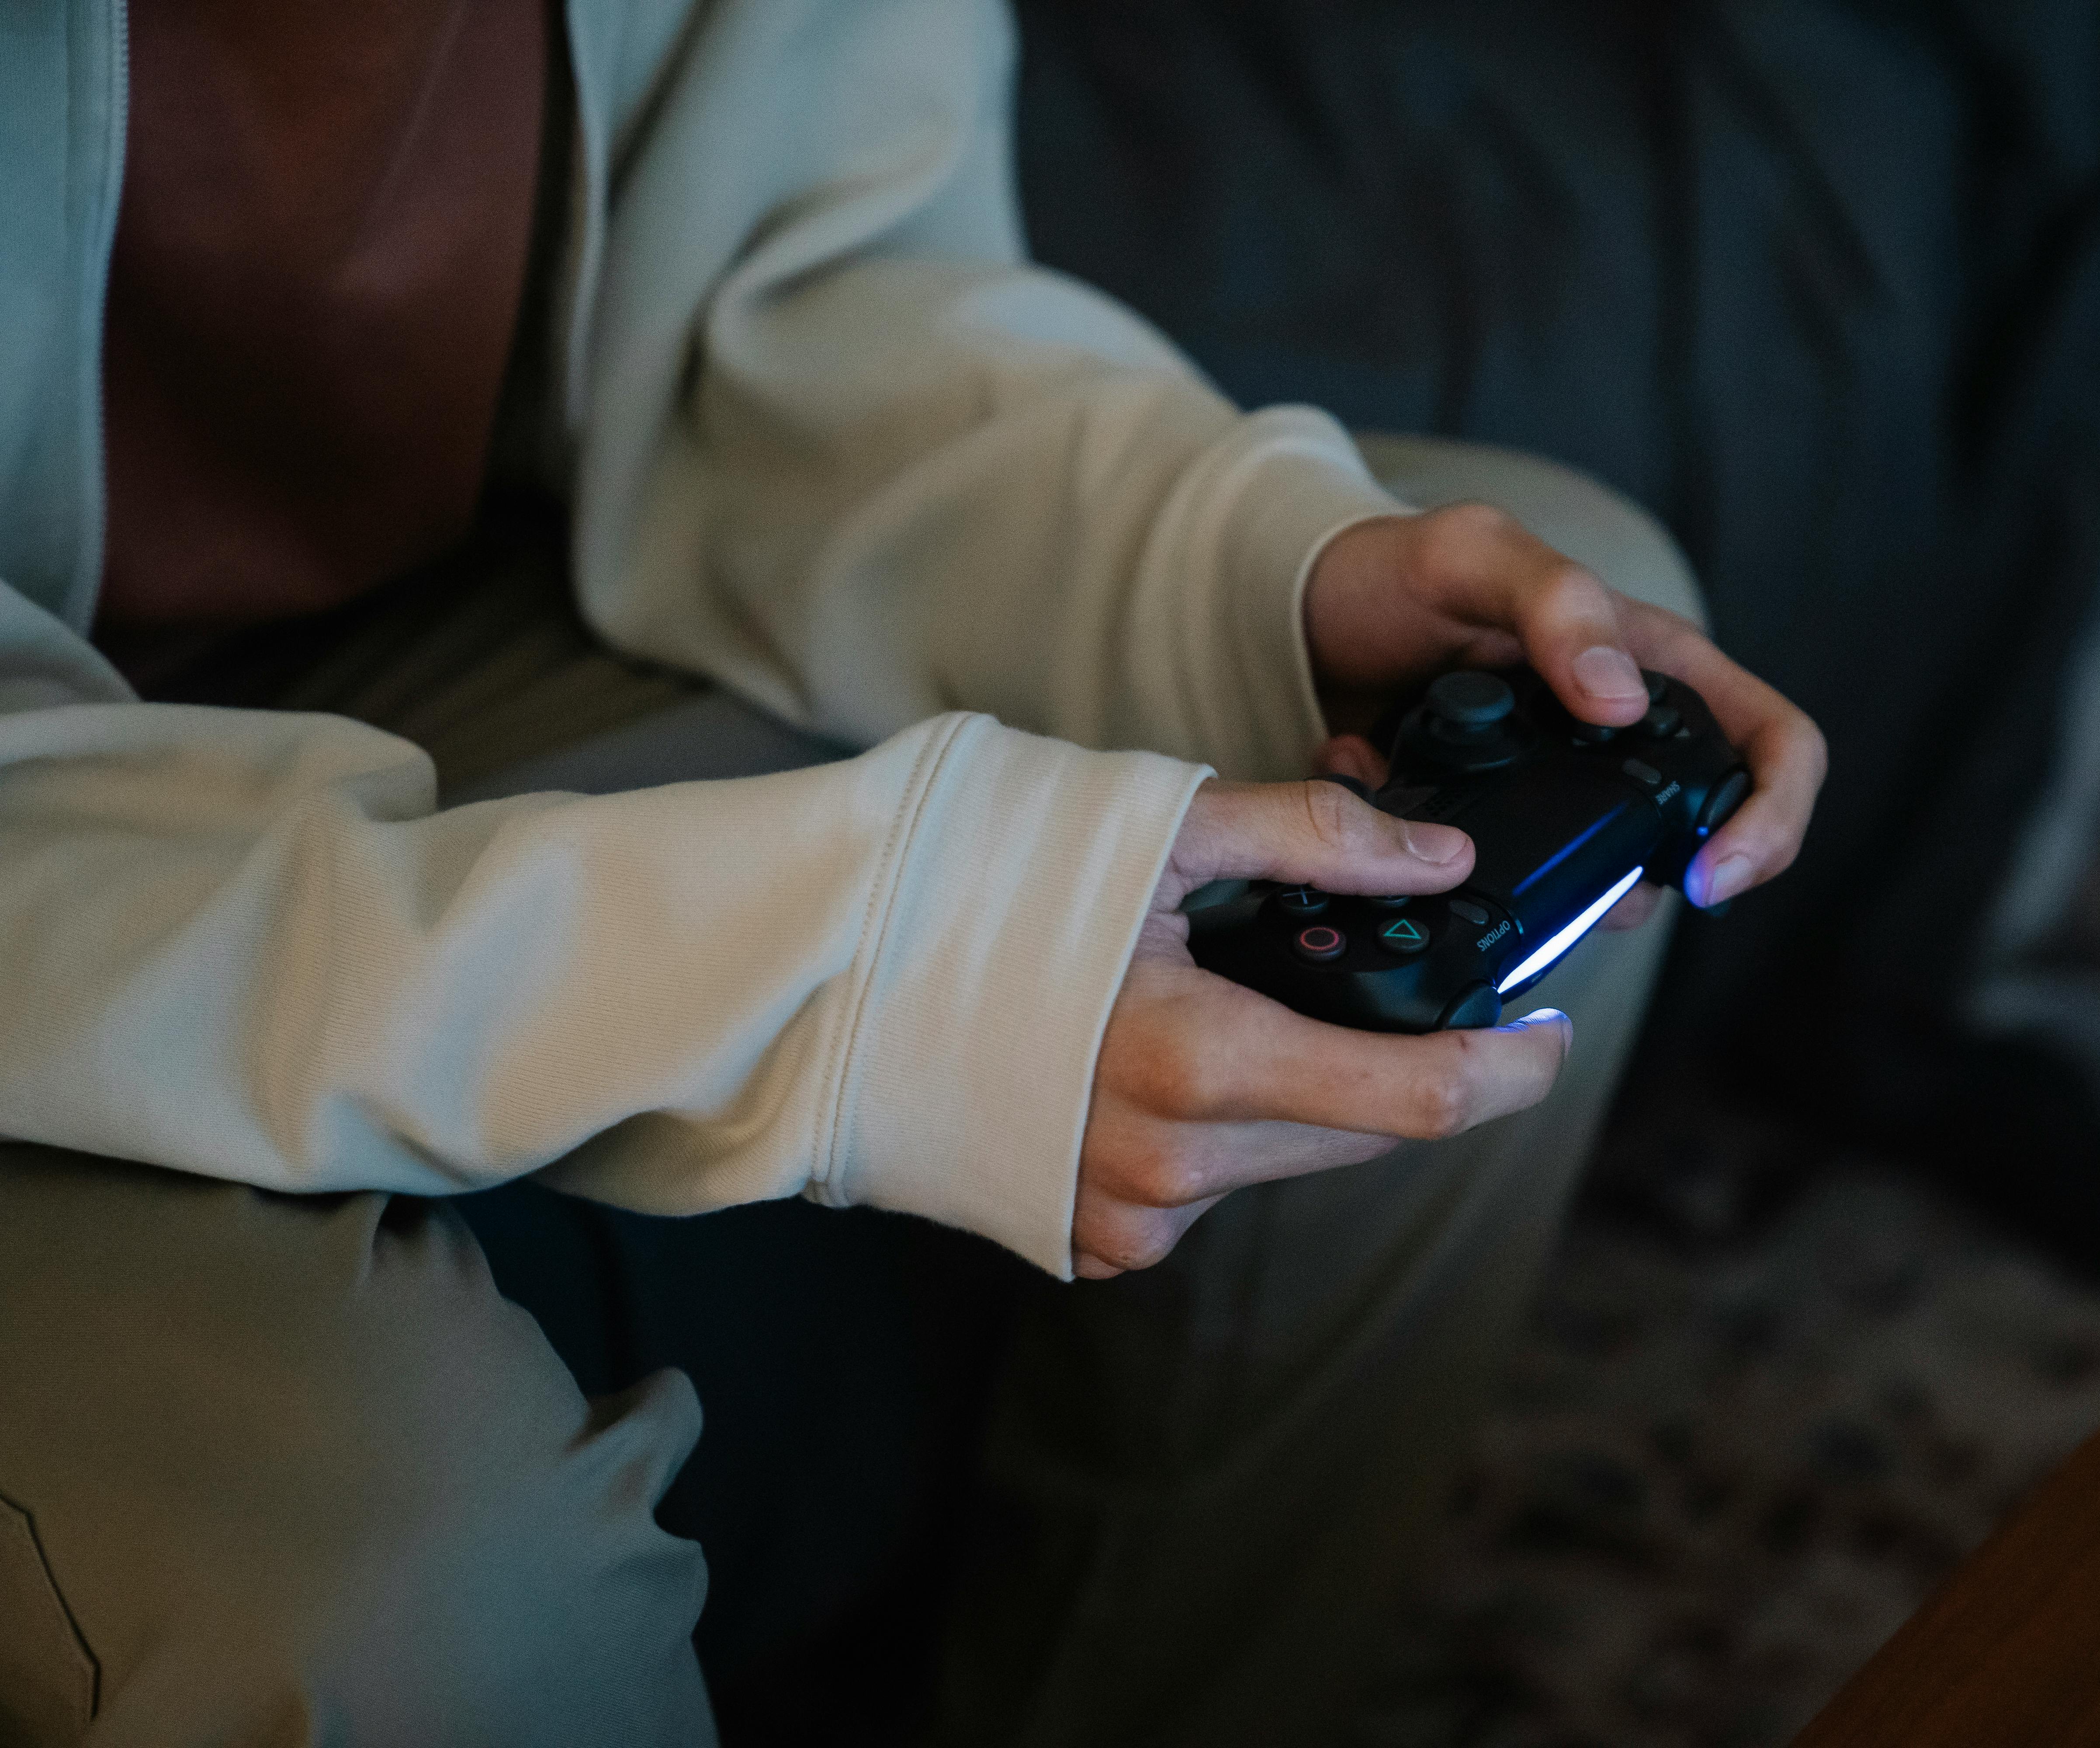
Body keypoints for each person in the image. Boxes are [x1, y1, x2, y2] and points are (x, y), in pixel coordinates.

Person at [0, 2, 1823, 1744]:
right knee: (434, 1605)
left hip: (400, 648)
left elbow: (805, 299)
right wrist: (880, 964)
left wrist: (1254, 571)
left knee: (1544, 640)